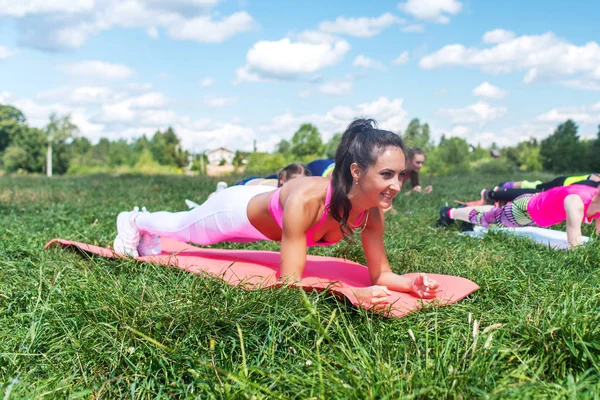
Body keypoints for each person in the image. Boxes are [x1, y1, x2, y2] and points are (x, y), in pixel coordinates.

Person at [113, 119, 439, 303]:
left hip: (262, 205)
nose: (397, 185)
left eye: (400, 175)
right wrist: (354, 294)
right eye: (386, 175)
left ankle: (142, 225)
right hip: (234, 211)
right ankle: (134, 220)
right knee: (184, 229)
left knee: (184, 228)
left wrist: (409, 283)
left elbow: (380, 275)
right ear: (356, 171)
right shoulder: (309, 202)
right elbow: (289, 282)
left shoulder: (371, 212)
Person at [437, 183, 600, 249]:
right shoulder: (576, 202)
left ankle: (463, 212)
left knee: (491, 216)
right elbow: (575, 244)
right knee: (486, 220)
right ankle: (450, 212)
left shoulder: (596, 202)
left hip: (537, 214)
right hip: (526, 211)